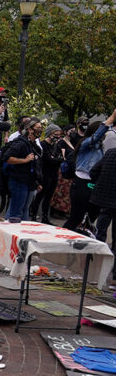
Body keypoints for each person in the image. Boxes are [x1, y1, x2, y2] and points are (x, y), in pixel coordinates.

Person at [63, 109, 116, 233]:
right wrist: (112, 117)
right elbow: (96, 138)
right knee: (75, 218)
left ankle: (85, 246)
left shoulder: (101, 148)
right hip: (81, 184)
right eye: (103, 134)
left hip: (94, 185)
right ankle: (60, 240)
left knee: (91, 220)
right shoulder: (85, 144)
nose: (104, 136)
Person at [3, 117, 43, 222]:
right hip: (18, 181)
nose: (40, 130)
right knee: (16, 212)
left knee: (24, 211)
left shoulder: (33, 145)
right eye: (38, 128)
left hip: (29, 182)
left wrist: (37, 182)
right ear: (30, 129)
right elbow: (7, 158)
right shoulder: (21, 143)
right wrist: (25, 160)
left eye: (41, 127)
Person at [29, 124, 64, 223]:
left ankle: (45, 217)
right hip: (45, 174)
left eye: (59, 135)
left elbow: (59, 158)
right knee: (40, 196)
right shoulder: (43, 145)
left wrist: (56, 159)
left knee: (49, 197)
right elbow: (48, 160)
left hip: (54, 174)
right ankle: (34, 215)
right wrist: (58, 159)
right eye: (55, 134)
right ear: (49, 134)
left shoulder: (56, 145)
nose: (58, 137)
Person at [90, 148, 116, 281]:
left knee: (100, 231)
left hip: (105, 199)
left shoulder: (111, 152)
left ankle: (96, 266)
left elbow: (94, 171)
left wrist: (99, 184)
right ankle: (114, 274)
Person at [50, 125, 76, 219]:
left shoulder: (71, 142)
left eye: (74, 130)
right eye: (71, 130)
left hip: (69, 169)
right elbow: (63, 156)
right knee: (61, 191)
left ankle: (63, 211)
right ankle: (56, 211)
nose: (73, 132)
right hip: (63, 169)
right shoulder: (61, 142)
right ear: (65, 131)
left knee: (66, 192)